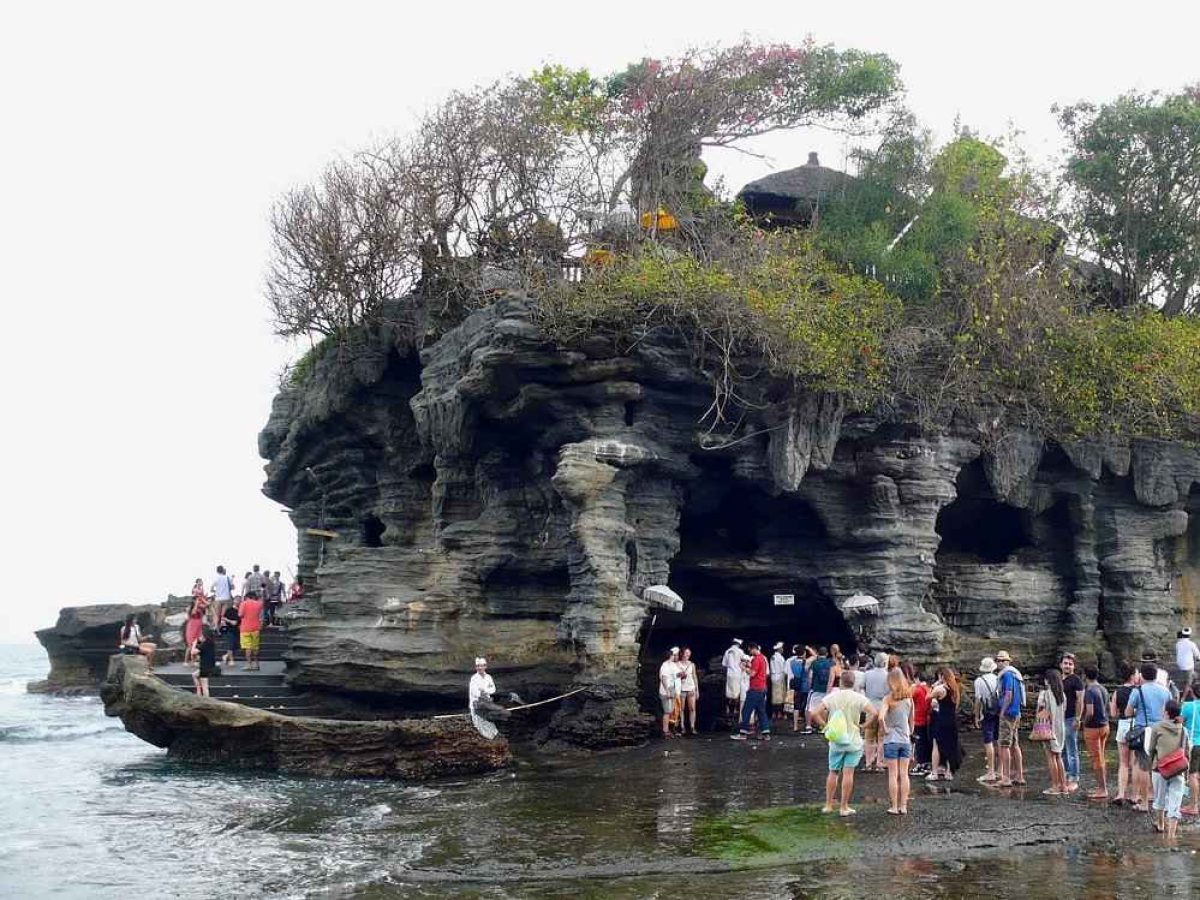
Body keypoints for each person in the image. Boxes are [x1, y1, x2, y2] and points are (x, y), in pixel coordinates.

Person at [812, 670, 877, 817]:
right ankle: (844, 807)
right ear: (854, 683)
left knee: (833, 772)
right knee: (848, 773)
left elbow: (814, 713)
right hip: (853, 740)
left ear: (840, 682)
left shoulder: (832, 697)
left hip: (836, 741)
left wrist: (825, 726)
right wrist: (865, 725)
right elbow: (875, 713)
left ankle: (828, 805)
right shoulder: (859, 698)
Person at [1126, 661, 1172, 812]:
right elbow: (1171, 710)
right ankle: (1161, 801)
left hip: (1143, 732)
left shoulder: (1138, 691)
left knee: (1143, 767)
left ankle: (1144, 802)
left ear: (1142, 675)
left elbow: (1127, 712)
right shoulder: (1165, 691)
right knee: (1161, 766)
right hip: (1162, 731)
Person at [1148, 699, 1191, 839]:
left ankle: (1160, 825)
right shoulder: (1183, 729)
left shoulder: (1157, 727)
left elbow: (1150, 749)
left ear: (1166, 712)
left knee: (1159, 799)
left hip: (1160, 769)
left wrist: (1151, 766)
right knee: (1175, 803)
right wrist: (1187, 773)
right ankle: (1171, 836)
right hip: (1179, 769)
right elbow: (1186, 752)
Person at [878, 667, 914, 815]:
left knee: (893, 775)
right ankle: (903, 806)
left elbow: (880, 717)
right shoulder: (909, 699)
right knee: (904, 774)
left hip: (891, 740)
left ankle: (894, 806)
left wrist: (885, 729)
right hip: (905, 740)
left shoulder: (888, 699)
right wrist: (909, 733)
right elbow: (912, 721)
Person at [994, 650, 1027, 787]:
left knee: (1004, 745)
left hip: (1008, 713)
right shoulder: (1015, 674)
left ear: (1007, 661)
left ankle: (1006, 777)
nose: (1000, 663)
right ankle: (1019, 776)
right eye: (998, 660)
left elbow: (1008, 694)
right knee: (1014, 744)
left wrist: (1002, 711)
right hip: (1016, 712)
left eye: (1002, 660)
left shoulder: (1007, 674)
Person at [1109, 662, 1139, 806]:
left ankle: (1121, 793)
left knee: (1123, 763)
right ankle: (1134, 795)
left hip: (1123, 726)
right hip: (1137, 727)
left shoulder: (1117, 692)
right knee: (1135, 763)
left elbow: (1113, 713)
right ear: (1133, 676)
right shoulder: (1139, 691)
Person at [1036, 669, 1069, 796]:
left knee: (1050, 757)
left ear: (1048, 681)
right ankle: (1063, 785)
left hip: (1047, 727)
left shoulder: (1044, 694)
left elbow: (1039, 711)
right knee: (1059, 756)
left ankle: (1055, 786)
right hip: (1060, 728)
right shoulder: (1062, 695)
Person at [927, 667, 963, 781]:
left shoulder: (940, 689)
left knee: (937, 745)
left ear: (943, 677)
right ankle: (949, 772)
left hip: (941, 720)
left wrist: (934, 685)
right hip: (952, 720)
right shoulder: (955, 689)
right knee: (950, 745)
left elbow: (927, 697)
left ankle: (934, 772)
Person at [1081, 665, 1110, 800]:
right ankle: (1102, 786)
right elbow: (1107, 707)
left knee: (1096, 759)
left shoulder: (1090, 691)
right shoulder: (1103, 689)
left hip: (1093, 728)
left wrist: (1083, 723)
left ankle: (1102, 789)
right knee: (1101, 757)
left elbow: (1090, 712)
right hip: (1105, 726)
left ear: (1085, 676)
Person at [732, 643, 770, 741]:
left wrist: (743, 668)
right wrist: (749, 665)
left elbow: (752, 673)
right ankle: (766, 733)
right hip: (762, 688)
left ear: (753, 649)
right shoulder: (763, 658)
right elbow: (757, 669)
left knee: (746, 711)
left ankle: (743, 733)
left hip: (755, 689)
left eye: (750, 650)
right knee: (761, 711)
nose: (750, 653)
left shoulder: (757, 659)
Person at [1059, 652, 1085, 793]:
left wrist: (1078, 718)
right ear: (1060, 665)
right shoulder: (1059, 680)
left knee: (1072, 749)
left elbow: (1080, 699)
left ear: (1074, 666)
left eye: (1070, 664)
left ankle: (1074, 778)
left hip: (1070, 718)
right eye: (1065, 663)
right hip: (1059, 718)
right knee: (1062, 749)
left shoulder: (1076, 680)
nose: (1067, 666)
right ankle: (1066, 774)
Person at [973, 656, 1001, 784]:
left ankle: (990, 771)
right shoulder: (998, 678)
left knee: (988, 741)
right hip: (999, 712)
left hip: (987, 713)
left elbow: (978, 700)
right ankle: (1000, 770)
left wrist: (976, 716)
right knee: (998, 740)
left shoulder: (979, 681)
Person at [862, 651, 891, 772]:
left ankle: (868, 763)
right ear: (885, 662)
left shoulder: (867, 674)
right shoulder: (888, 676)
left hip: (870, 706)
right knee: (882, 737)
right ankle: (880, 762)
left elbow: (861, 687)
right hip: (884, 707)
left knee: (869, 736)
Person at [1179, 685, 1200, 816]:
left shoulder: (1188, 706)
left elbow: (1179, 721)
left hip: (1194, 744)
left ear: (1192, 693)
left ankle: (1193, 805)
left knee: (1193, 775)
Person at [806, 647, 834, 732]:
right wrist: (829, 689)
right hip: (826, 689)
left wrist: (810, 685)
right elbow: (832, 676)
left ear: (818, 654)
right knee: (824, 708)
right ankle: (822, 726)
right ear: (826, 654)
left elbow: (810, 676)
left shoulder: (814, 663)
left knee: (809, 707)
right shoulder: (830, 663)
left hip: (815, 688)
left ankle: (808, 725)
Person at [910, 669, 932, 777]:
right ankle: (927, 764)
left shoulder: (917, 689)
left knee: (919, 743)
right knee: (925, 742)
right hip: (926, 719)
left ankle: (920, 764)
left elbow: (908, 696)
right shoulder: (928, 688)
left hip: (918, 719)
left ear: (917, 678)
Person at [238, 590, 264, 671]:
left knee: (247, 647)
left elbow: (240, 614)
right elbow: (261, 615)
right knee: (255, 647)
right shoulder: (259, 604)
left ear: (247, 597)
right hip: (256, 627)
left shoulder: (244, 603)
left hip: (245, 628)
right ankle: (257, 664)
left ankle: (249, 665)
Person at [658, 648, 681, 738]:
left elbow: (676, 674)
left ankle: (668, 729)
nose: (675, 656)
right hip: (666, 689)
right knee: (667, 711)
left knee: (671, 710)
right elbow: (663, 678)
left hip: (672, 688)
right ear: (671, 656)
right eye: (674, 655)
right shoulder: (665, 665)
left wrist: (681, 674)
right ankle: (665, 731)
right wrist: (667, 691)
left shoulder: (672, 665)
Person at [185, 579, 209, 666]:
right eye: (196, 600)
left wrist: (202, 600)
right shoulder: (191, 608)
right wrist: (196, 604)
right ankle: (187, 661)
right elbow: (193, 613)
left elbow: (207, 605)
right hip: (192, 625)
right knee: (191, 644)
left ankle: (194, 660)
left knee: (197, 643)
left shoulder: (200, 607)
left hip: (198, 625)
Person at [791, 646, 814, 733]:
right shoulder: (806, 662)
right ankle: (807, 724)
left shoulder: (792, 662)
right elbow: (815, 656)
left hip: (797, 686)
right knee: (806, 706)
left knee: (796, 706)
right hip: (805, 686)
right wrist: (809, 648)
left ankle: (795, 726)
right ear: (804, 653)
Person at [722, 638, 746, 718]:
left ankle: (728, 708)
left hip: (730, 675)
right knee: (737, 693)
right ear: (738, 644)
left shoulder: (727, 651)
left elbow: (724, 664)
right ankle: (735, 709)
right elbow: (744, 662)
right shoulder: (740, 652)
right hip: (738, 675)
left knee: (728, 692)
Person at [678, 647, 699, 735]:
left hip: (691, 688)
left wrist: (697, 689)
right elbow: (674, 675)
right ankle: (682, 726)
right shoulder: (677, 664)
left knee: (692, 708)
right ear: (682, 654)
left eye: (689, 653)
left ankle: (692, 726)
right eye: (686, 653)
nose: (688, 655)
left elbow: (694, 676)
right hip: (682, 688)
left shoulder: (692, 664)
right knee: (681, 708)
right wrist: (680, 675)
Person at [192, 626, 218, 697]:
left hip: (205, 667)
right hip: (210, 665)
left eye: (201, 635)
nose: (200, 637)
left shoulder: (204, 644)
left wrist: (194, 644)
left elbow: (193, 652)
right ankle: (198, 691)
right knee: (194, 675)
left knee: (205, 686)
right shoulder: (211, 643)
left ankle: (207, 700)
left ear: (204, 636)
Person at [219, 599, 241, 667]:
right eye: (237, 600)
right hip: (229, 630)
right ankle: (231, 660)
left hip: (237, 630)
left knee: (236, 646)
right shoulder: (229, 610)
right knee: (230, 646)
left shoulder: (240, 610)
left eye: (239, 600)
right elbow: (223, 618)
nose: (238, 602)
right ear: (234, 601)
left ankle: (226, 656)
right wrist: (230, 621)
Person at [769, 642, 788, 719]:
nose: (783, 649)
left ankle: (774, 713)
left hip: (773, 677)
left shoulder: (772, 657)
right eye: (782, 648)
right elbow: (784, 669)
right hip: (779, 677)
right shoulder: (781, 658)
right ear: (779, 649)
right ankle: (779, 713)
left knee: (774, 696)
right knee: (780, 696)